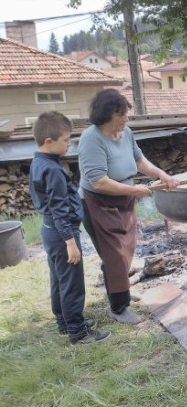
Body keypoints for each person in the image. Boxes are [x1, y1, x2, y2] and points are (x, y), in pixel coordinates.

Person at [78, 89, 179, 324]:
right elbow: (99, 181)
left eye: (126, 115)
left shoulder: (126, 133)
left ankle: (118, 290)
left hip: (123, 199)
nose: (126, 119)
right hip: (99, 202)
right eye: (122, 115)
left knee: (126, 249)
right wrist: (135, 190)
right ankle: (119, 307)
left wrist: (162, 174)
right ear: (107, 114)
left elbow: (139, 161)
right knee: (114, 254)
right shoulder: (91, 139)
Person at [29, 111, 111, 344]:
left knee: (59, 280)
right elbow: (59, 209)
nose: (69, 144)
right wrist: (70, 242)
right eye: (66, 140)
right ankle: (77, 332)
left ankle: (64, 323)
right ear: (49, 141)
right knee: (72, 284)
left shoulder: (39, 162)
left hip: (50, 231)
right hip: (62, 233)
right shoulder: (53, 169)